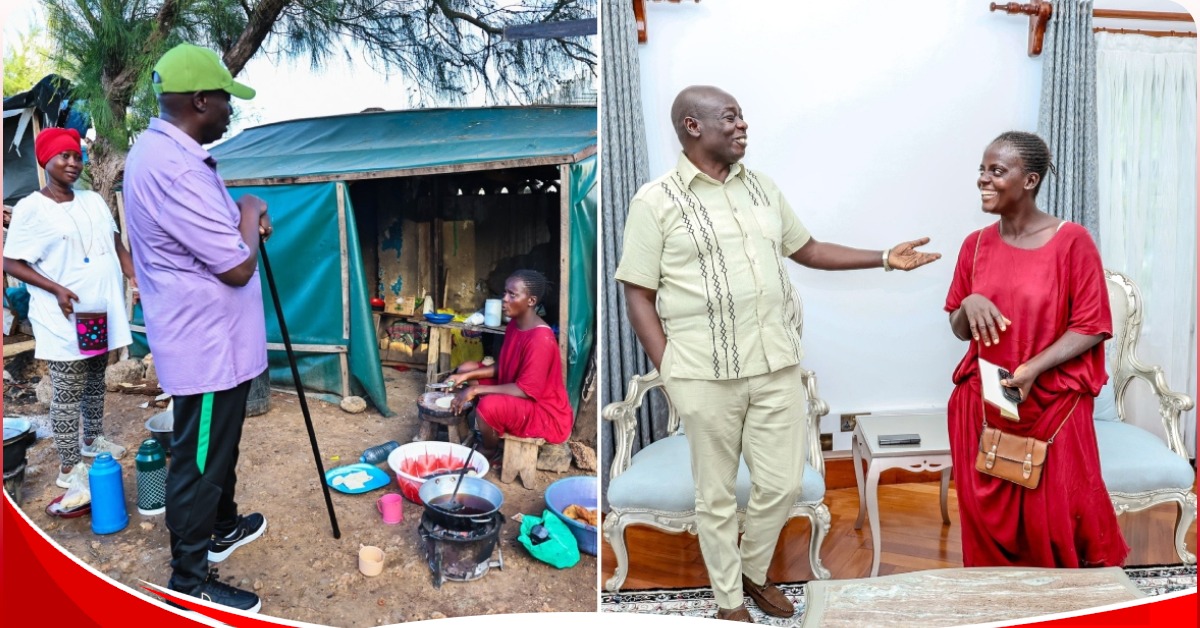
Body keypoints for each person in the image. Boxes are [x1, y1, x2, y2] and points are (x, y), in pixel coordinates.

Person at [616, 85, 940, 622]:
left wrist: (883, 257)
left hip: (775, 367)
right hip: (702, 373)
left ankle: (750, 572)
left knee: (782, 483)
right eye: (731, 117)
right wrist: (669, 370)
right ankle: (728, 604)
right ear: (693, 126)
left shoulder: (762, 189)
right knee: (715, 497)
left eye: (743, 116)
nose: (743, 125)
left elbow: (807, 249)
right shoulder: (656, 201)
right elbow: (637, 293)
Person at [123, 43, 274, 613]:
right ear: (200, 100)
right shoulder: (175, 166)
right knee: (199, 459)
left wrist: (242, 210)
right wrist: (251, 205)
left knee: (218, 449)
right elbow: (236, 267)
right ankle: (188, 579)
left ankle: (224, 524)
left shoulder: (169, 155)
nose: (231, 112)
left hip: (219, 344)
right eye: (226, 102)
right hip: (207, 347)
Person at [944, 131, 1129, 568]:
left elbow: (1093, 326)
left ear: (1029, 181)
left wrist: (1030, 369)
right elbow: (957, 327)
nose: (983, 180)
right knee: (985, 529)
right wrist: (968, 304)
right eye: (982, 170)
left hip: (1053, 405)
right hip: (985, 403)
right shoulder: (974, 246)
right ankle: (999, 606)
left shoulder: (1072, 241)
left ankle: (1059, 605)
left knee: (1061, 521)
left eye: (996, 171)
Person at [3, 127, 135, 490]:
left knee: (95, 377)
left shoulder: (92, 200)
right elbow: (11, 262)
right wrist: (55, 288)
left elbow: (114, 244)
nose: (73, 163)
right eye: (65, 156)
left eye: (77, 156)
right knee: (67, 389)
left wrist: (136, 277)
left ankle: (92, 439)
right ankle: (68, 467)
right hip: (61, 314)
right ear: (46, 160)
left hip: (96, 310)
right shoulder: (32, 208)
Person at [447, 269, 573, 464]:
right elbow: (505, 365)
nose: (504, 299)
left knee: (489, 406)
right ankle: (482, 428)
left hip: (543, 412)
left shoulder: (541, 339)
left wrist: (475, 389)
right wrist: (465, 377)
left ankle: (490, 449)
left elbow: (525, 390)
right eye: (504, 292)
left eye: (512, 294)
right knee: (466, 368)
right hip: (516, 387)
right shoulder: (515, 324)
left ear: (531, 301)